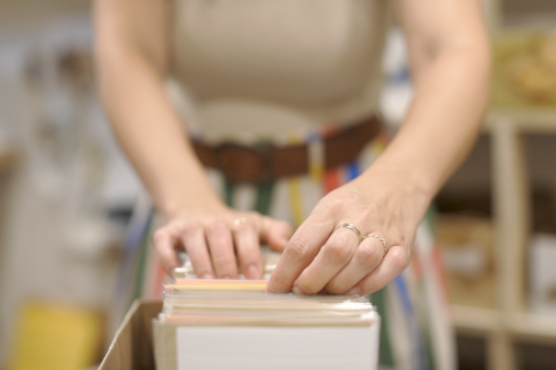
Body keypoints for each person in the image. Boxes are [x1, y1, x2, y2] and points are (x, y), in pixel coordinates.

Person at [94, 0, 490, 368]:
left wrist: (395, 192)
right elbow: (129, 50)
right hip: (187, 192)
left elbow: (453, 47)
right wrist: (186, 199)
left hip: (358, 201)